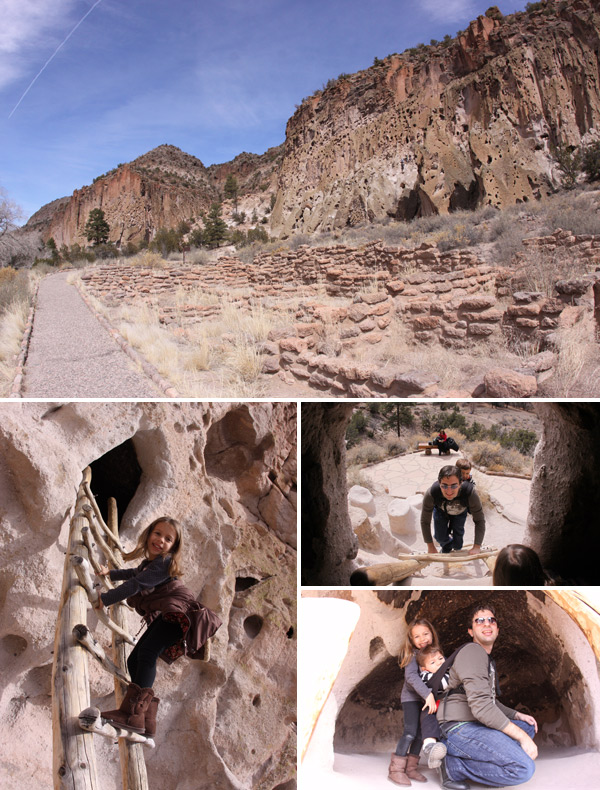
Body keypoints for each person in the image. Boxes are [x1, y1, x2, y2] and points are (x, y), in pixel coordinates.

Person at [93, 517, 222, 737]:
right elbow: (134, 574)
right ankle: (147, 720)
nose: (161, 540)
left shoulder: (164, 563)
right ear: (149, 533)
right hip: (171, 613)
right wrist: (111, 574)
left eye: (168, 538)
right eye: (158, 533)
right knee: (135, 659)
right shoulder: (150, 565)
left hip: (180, 615)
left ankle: (132, 714)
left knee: (148, 653)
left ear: (174, 546)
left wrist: (105, 599)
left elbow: (135, 584)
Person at [436, 603, 537, 790]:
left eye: (491, 620)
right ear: (470, 631)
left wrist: (516, 715)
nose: (487, 624)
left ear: (497, 628)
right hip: (459, 729)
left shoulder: (486, 659)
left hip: (476, 724)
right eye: (479, 621)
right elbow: (482, 707)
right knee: (524, 769)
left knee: (527, 726)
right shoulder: (472, 652)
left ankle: (477, 756)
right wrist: (522, 738)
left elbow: (490, 701)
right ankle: (454, 766)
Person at [388, 618, 440, 785]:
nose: (422, 639)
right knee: (410, 732)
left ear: (432, 634)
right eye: (417, 636)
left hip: (426, 700)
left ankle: (411, 768)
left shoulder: (435, 654)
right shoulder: (413, 655)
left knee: (420, 735)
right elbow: (411, 678)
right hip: (412, 699)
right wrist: (428, 695)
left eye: (425, 634)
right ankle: (395, 770)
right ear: (411, 640)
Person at [421, 466, 485, 555]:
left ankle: (454, 544)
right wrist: (430, 547)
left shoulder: (469, 493)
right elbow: (425, 521)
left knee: (458, 545)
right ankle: (447, 546)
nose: (449, 491)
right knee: (439, 537)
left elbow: (479, 520)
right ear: (439, 483)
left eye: (454, 486)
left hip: (460, 512)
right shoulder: (432, 493)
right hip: (441, 511)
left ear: (460, 483)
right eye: (444, 486)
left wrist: (477, 547)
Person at [414, 645, 449, 769]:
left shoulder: (447, 672)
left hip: (447, 707)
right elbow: (442, 684)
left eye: (440, 658)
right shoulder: (426, 676)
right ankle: (429, 746)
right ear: (424, 668)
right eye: (433, 662)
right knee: (428, 719)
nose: (439, 663)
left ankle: (437, 758)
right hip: (433, 706)